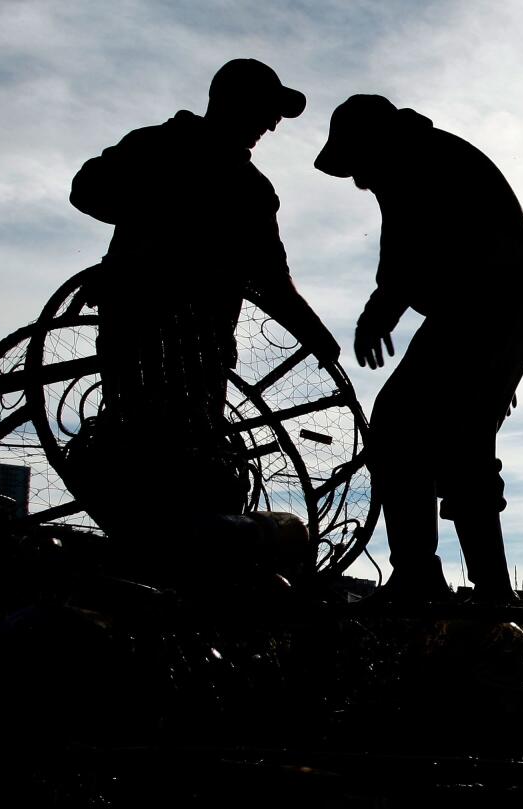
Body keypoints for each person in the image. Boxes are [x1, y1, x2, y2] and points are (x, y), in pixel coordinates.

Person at [68, 59, 336, 579]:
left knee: (184, 468)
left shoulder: (248, 187)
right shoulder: (165, 151)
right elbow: (88, 189)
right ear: (232, 103)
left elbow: (271, 280)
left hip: (197, 360)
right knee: (162, 465)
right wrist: (160, 227)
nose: (273, 125)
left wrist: (315, 333)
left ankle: (166, 564)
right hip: (144, 347)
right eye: (266, 111)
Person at [314, 94, 523, 604]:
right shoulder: (416, 155)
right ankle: (446, 579)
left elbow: (406, 256)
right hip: (479, 308)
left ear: (371, 143)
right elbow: (409, 260)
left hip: (492, 302)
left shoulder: (413, 161)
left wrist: (379, 312)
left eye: (356, 165)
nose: (358, 181)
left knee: (435, 432)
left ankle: (462, 584)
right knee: (420, 429)